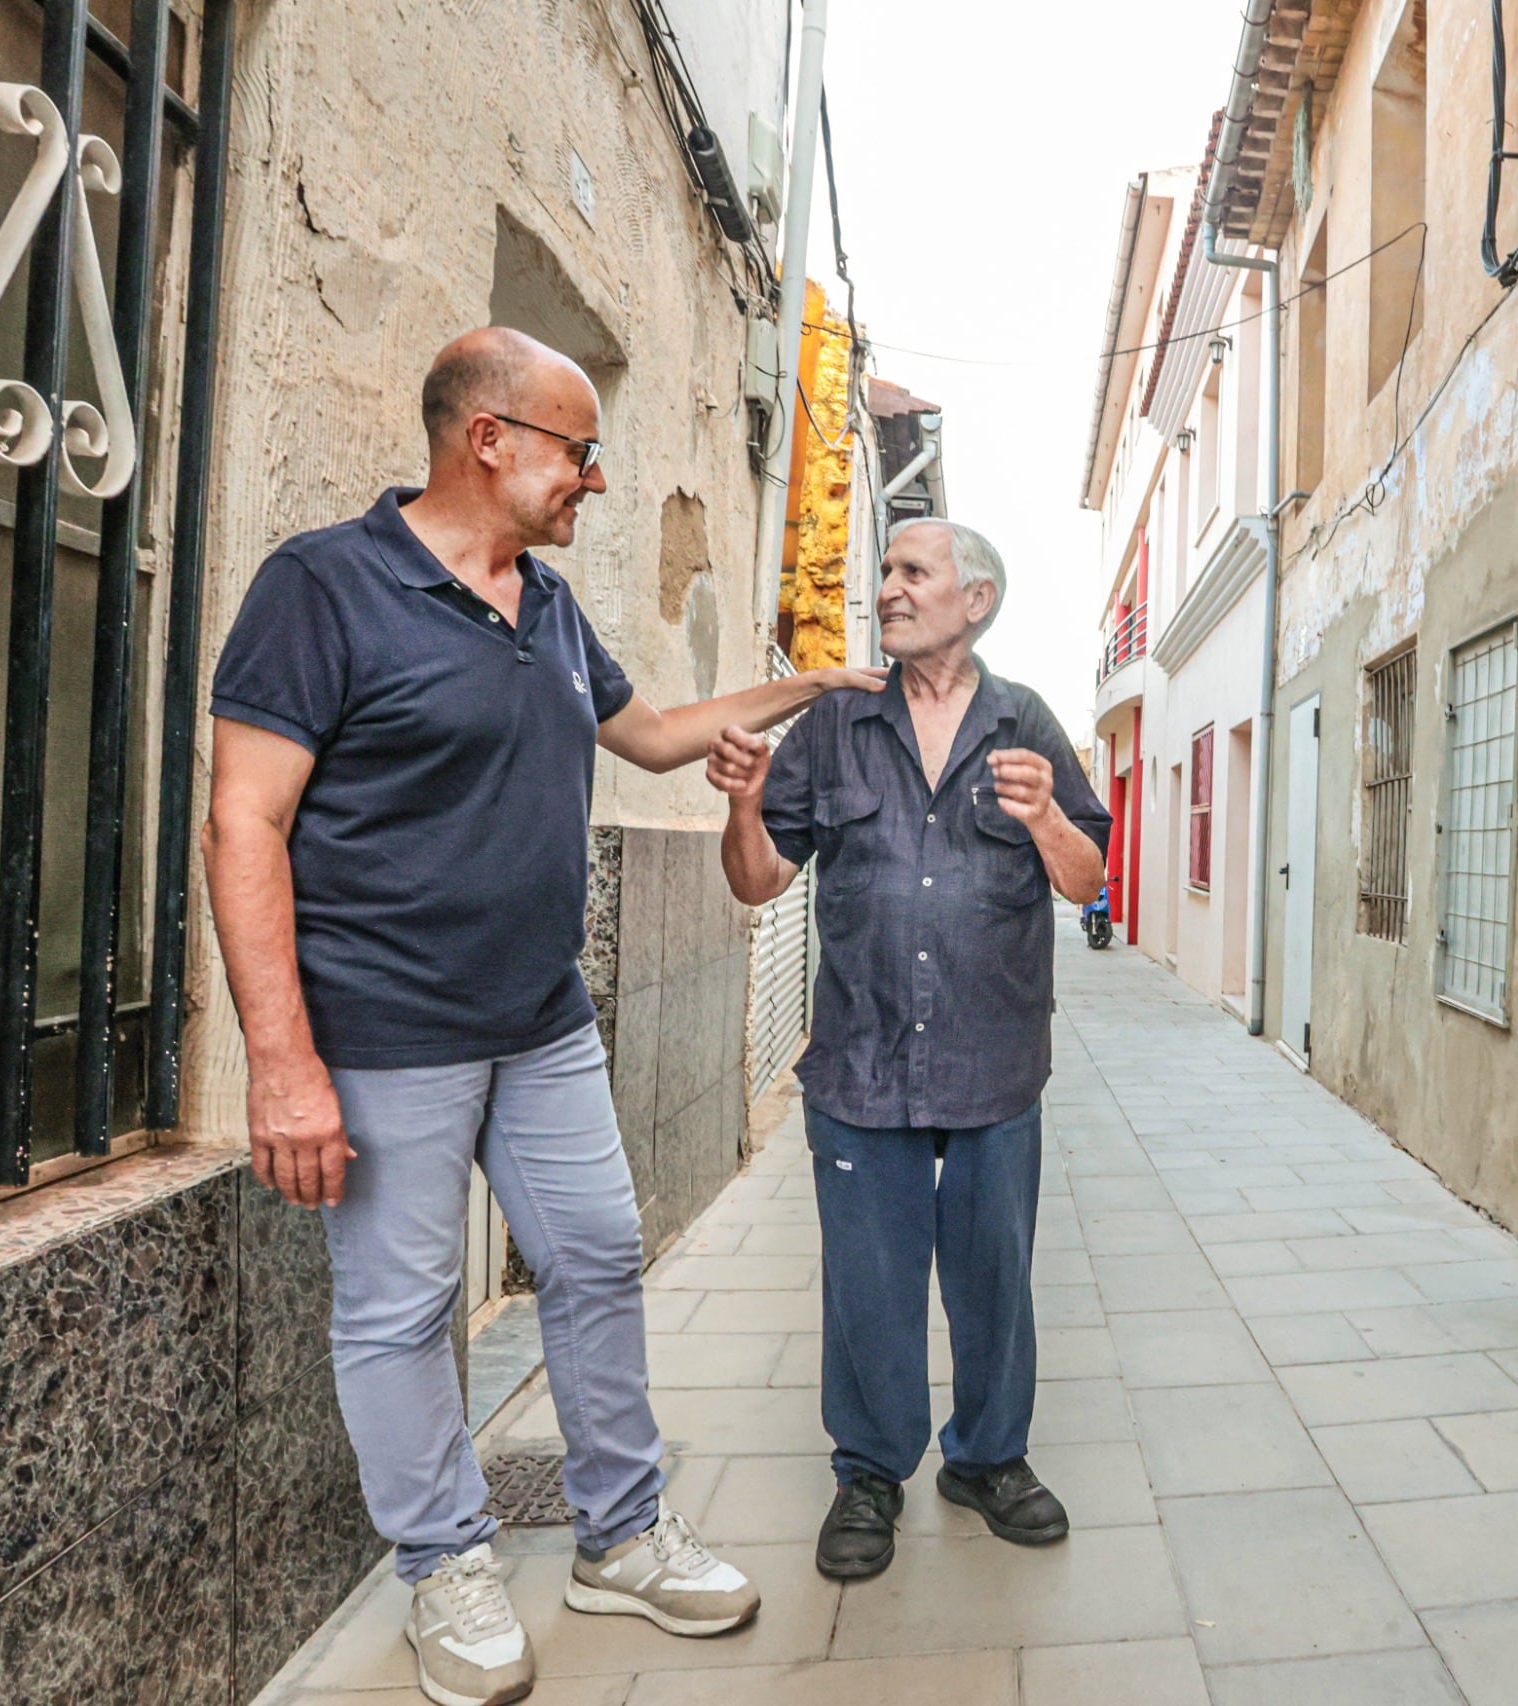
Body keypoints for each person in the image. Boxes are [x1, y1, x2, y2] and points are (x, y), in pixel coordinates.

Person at [204, 327, 881, 1706]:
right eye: (582, 448)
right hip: (387, 1027)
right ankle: (443, 1563)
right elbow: (243, 820)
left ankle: (621, 1533)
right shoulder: (323, 586)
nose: (597, 478)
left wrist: (818, 684)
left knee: (594, 1252)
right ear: (488, 439)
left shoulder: (550, 604)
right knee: (400, 1310)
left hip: (543, 1017)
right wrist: (282, 1059)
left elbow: (651, 733)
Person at [705, 517, 1111, 1582]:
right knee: (870, 1278)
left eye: (911, 571)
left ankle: (987, 1457)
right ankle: (871, 1471)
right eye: (883, 570)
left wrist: (1042, 823)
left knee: (992, 1276)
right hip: (861, 1054)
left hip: (993, 1054)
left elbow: (1087, 878)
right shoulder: (837, 723)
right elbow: (757, 881)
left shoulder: (1026, 721)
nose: (886, 588)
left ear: (974, 599)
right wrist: (745, 801)